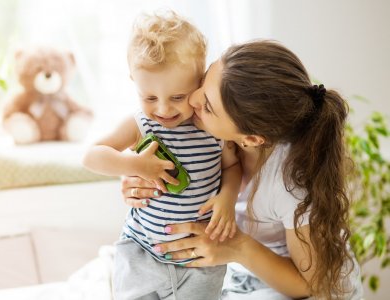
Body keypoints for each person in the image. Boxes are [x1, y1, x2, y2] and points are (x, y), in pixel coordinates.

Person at [121, 40, 363, 300]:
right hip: (240, 271)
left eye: (208, 107)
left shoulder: (291, 185)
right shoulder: (208, 130)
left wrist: (237, 247)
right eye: (204, 81)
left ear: (251, 139)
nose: (192, 99)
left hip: (296, 283)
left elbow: (308, 285)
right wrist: (136, 178)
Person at [83, 10, 242, 300]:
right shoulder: (140, 124)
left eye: (178, 97)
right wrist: (134, 164)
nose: (164, 110)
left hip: (199, 259)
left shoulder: (212, 127)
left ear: (199, 81)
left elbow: (232, 167)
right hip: (142, 253)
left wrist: (228, 198)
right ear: (134, 81)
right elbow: (92, 156)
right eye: (150, 98)